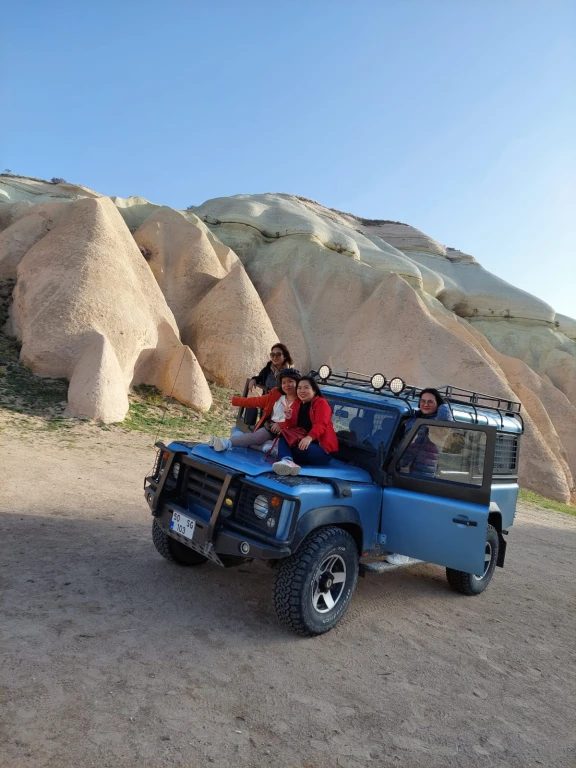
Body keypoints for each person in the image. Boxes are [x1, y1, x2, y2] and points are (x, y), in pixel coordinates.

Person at [387, 388, 454, 565]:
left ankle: (403, 553)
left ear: (438, 405)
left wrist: (444, 404)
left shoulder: (439, 424)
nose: (425, 404)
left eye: (430, 401)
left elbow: (413, 448)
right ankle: (410, 550)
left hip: (421, 471)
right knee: (407, 511)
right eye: (423, 400)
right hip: (408, 469)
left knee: (410, 512)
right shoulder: (418, 419)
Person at [210, 368, 300, 452]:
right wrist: (237, 400)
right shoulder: (275, 395)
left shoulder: (302, 400)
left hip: (289, 432)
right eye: (283, 382)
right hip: (271, 427)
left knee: (275, 447)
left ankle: (242, 438)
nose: (287, 385)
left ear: (297, 382)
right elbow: (256, 401)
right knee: (258, 437)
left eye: (290, 381)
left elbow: (301, 419)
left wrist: (281, 425)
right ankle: (226, 443)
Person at [272, 376, 338, 476]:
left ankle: (285, 457)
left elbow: (321, 424)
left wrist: (309, 438)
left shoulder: (321, 403)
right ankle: (287, 461)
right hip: (303, 445)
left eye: (306, 387)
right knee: (283, 438)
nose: (302, 391)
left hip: (322, 450)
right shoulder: (297, 404)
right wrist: (288, 418)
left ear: (314, 390)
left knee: (290, 449)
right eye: (299, 388)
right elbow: (291, 429)